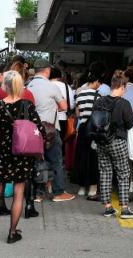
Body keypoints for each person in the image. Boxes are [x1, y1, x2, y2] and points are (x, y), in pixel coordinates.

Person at [0, 70, 46, 244]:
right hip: (22, 154)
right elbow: (40, 129)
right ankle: (12, 233)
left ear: (5, 86)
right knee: (18, 192)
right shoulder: (27, 105)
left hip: (2, 153)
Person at [26, 59, 74, 202]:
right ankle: (58, 192)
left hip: (32, 131)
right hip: (50, 130)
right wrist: (52, 107)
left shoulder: (28, 86)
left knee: (37, 160)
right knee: (56, 160)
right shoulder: (52, 87)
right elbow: (64, 107)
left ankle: (38, 194)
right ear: (47, 70)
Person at [94, 72, 133, 219]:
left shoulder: (99, 101)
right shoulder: (124, 103)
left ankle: (108, 208)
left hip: (101, 142)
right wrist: (132, 114)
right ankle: (124, 209)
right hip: (118, 141)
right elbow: (131, 124)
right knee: (123, 174)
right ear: (123, 86)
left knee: (105, 173)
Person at [72, 62, 106, 199]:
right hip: (93, 131)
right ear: (97, 81)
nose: (100, 85)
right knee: (93, 160)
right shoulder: (98, 97)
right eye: (100, 83)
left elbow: (78, 114)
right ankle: (92, 188)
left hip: (82, 130)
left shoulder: (79, 94)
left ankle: (81, 187)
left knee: (81, 158)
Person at [50, 68, 75, 139]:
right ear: (60, 76)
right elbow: (71, 106)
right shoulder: (67, 87)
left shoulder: (45, 85)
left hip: (47, 119)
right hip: (62, 119)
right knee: (60, 144)